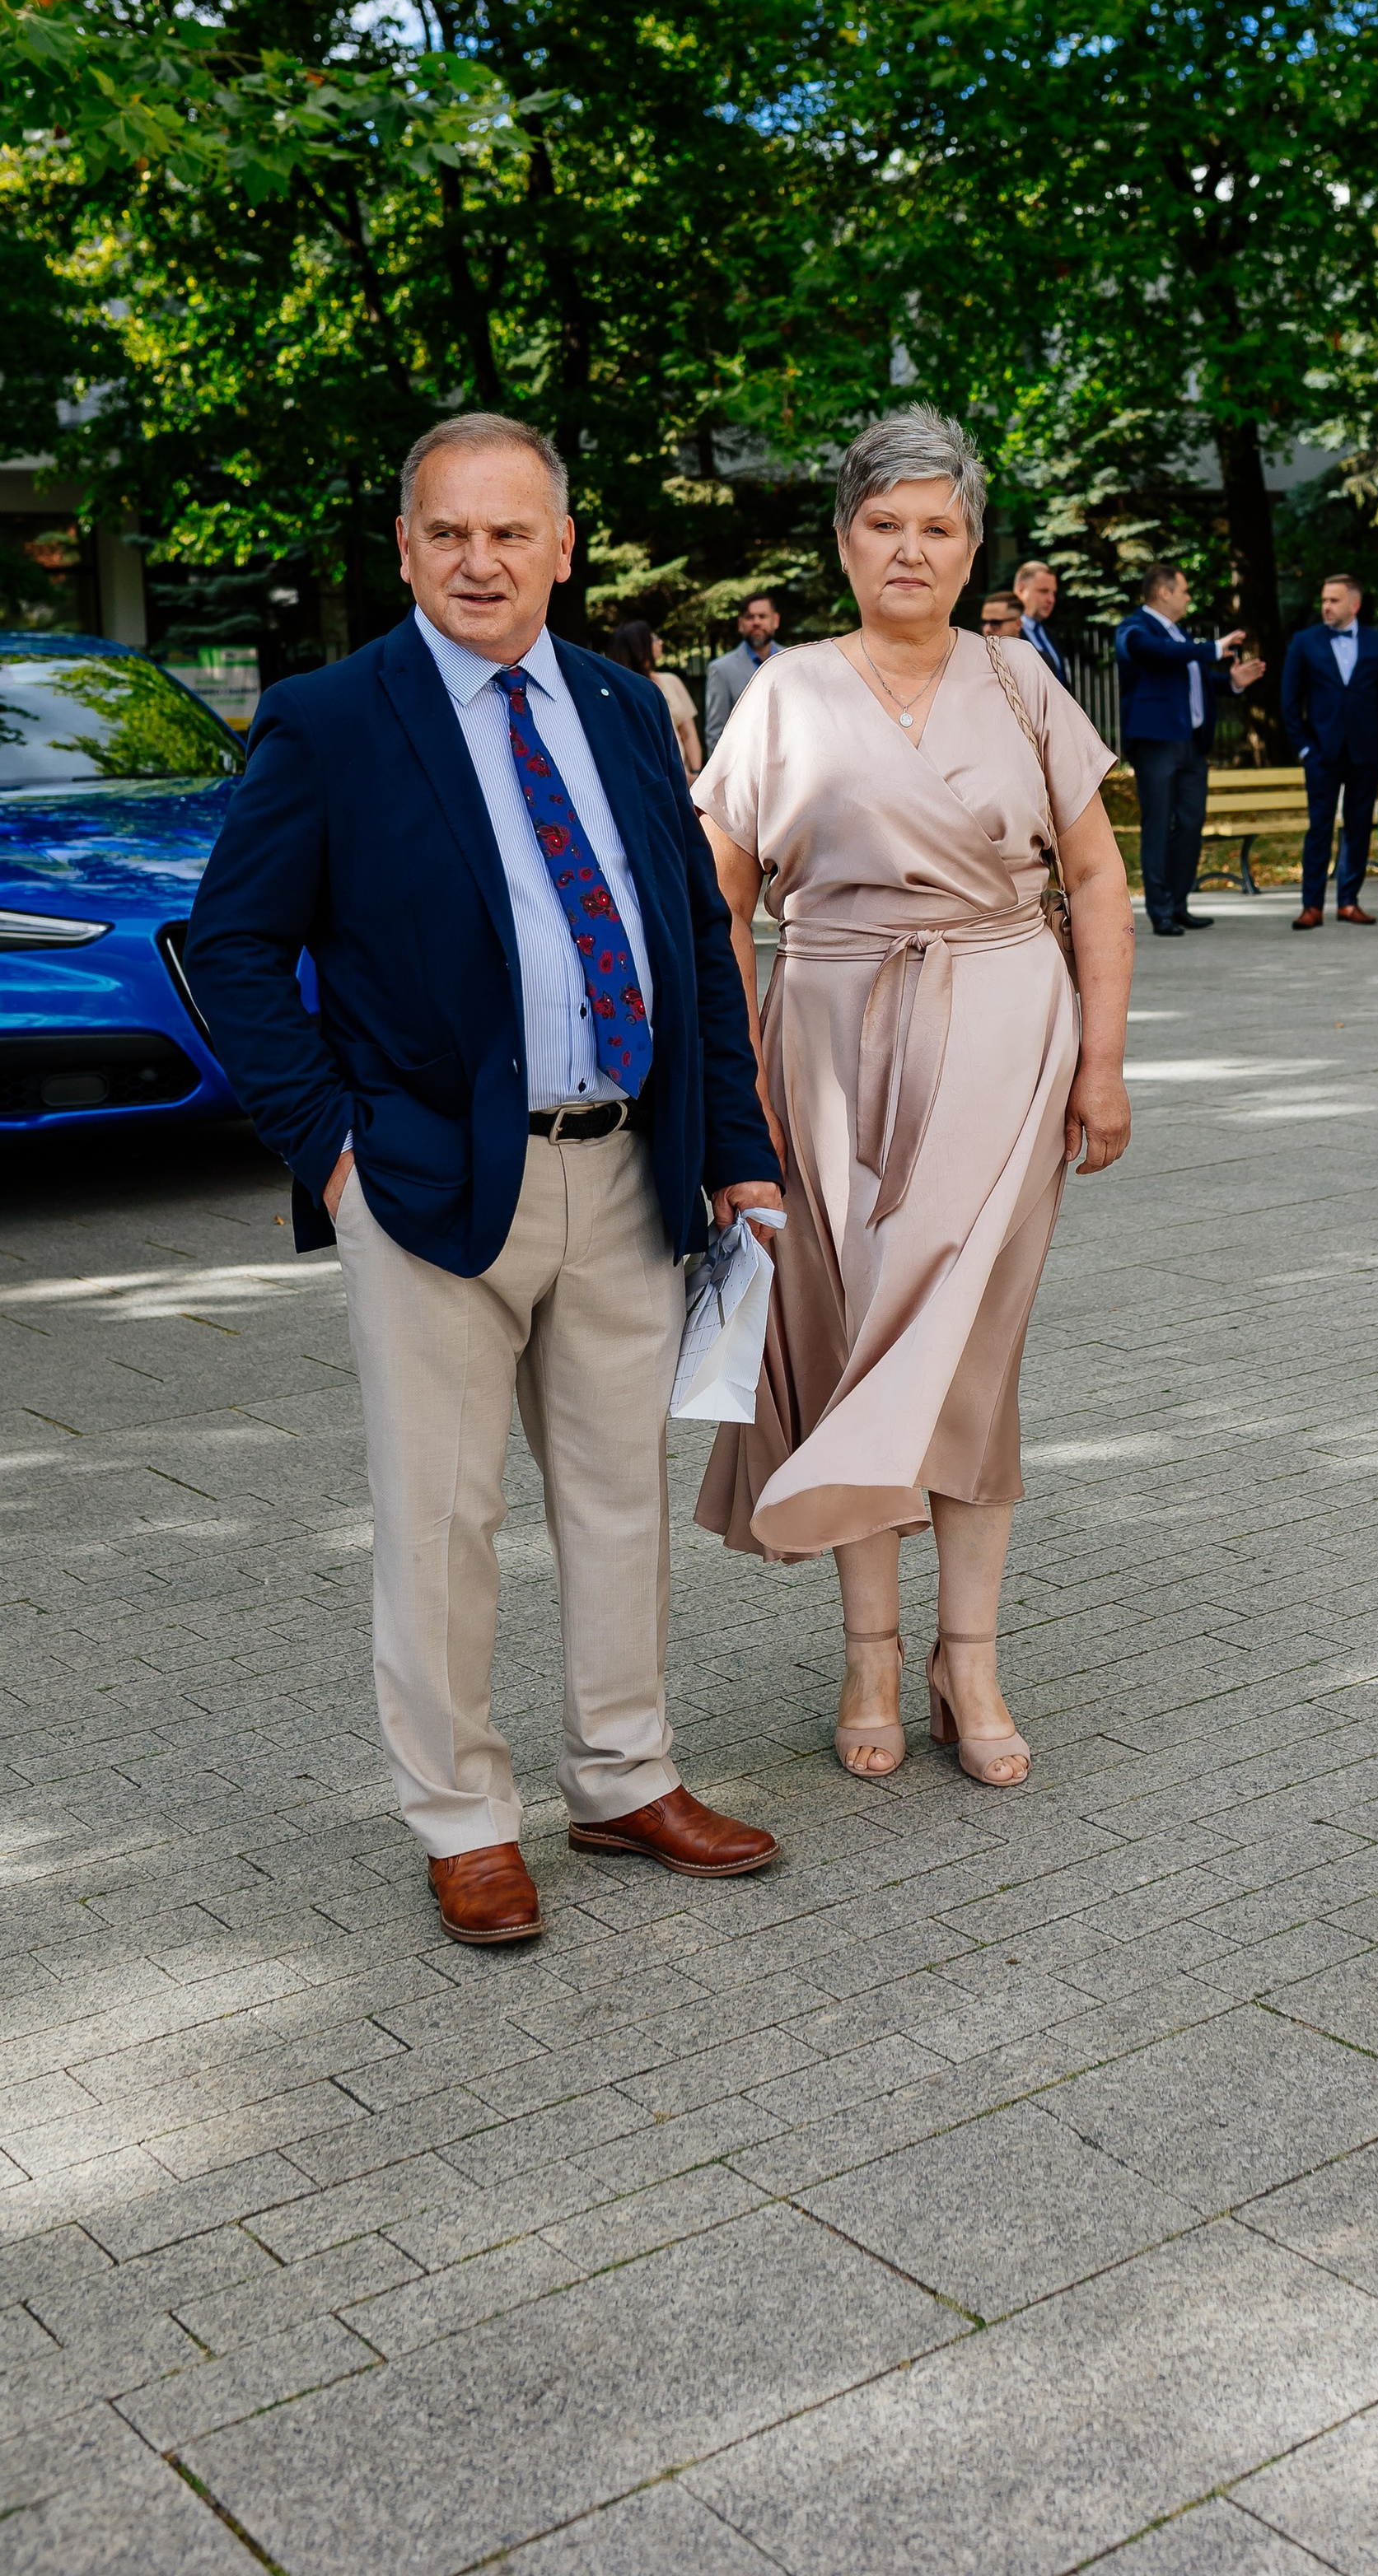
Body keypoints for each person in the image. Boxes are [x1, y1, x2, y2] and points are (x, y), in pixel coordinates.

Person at [185, 415, 787, 1949]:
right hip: (431, 1185)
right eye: (449, 532)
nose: (481, 559)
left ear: (562, 549)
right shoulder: (330, 719)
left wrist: (735, 1151)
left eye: (511, 532)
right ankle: (461, 1819)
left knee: (616, 1501)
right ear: (405, 548)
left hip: (628, 1167)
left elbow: (686, 941)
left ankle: (623, 1774)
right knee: (441, 1519)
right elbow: (238, 950)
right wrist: (327, 1143)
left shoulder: (620, 704)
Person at [694, 405, 1133, 1790]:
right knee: (854, 1340)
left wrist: (1106, 1057)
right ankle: (874, 1653)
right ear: (842, 541)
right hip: (823, 1036)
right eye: (885, 523)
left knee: (971, 1349)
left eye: (939, 526)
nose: (911, 549)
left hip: (1008, 1027)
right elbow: (721, 899)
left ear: (973, 544)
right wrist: (728, 1088)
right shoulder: (784, 694)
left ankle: (974, 1653)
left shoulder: (1020, 683)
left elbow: (1102, 880)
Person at [1114, 563, 1266, 937]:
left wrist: (1230, 682)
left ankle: (1179, 904)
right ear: (1164, 592)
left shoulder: (1178, 636)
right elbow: (1158, 655)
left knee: (1190, 826)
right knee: (1159, 825)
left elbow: (1188, 680)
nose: (1189, 598)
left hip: (1192, 746)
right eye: (1185, 591)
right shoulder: (1135, 629)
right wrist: (1213, 648)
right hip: (1157, 746)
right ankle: (1160, 910)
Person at [1279, 572, 1378, 930]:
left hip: (1366, 752)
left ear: (1355, 604)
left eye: (1334, 600)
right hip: (1320, 752)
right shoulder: (1304, 643)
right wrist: (1304, 748)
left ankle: (1348, 901)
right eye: (1323, 600)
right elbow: (1289, 702)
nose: (1326, 606)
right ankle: (1311, 905)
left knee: (1357, 827)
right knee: (1319, 826)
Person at [606, 618, 703, 778]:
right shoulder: (618, 689)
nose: (660, 643)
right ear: (639, 647)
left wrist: (695, 773)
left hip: (684, 778)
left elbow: (689, 733)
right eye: (654, 639)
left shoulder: (671, 681)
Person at [703, 591, 783, 757]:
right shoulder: (721, 669)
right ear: (740, 624)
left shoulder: (792, 660)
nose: (756, 622)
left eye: (762, 616)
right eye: (749, 617)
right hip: (744, 772)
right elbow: (716, 734)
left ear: (775, 621)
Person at [1014, 559, 1067, 684]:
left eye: (1053, 593)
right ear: (1021, 590)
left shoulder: (1050, 634)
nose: (1051, 599)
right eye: (1043, 591)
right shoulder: (1006, 633)